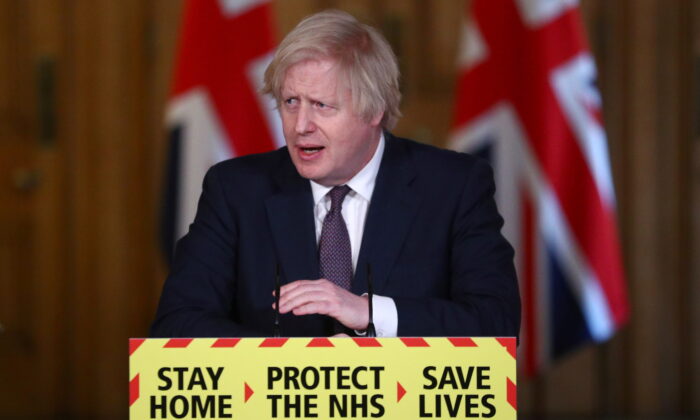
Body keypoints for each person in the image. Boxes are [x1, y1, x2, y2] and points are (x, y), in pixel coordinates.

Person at [151, 10, 520, 338]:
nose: (300, 126)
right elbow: (178, 324)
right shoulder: (235, 189)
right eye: (290, 103)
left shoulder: (453, 186)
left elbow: (496, 322)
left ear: (373, 109)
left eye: (322, 106)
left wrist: (369, 312)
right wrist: (301, 366)